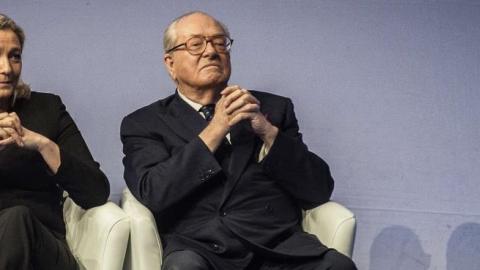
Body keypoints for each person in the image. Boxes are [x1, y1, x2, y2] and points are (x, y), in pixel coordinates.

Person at [121, 11, 356, 270]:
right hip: (201, 250)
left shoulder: (273, 109)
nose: (211, 51)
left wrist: (268, 132)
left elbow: (318, 189)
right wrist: (217, 127)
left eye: (220, 42)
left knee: (338, 266)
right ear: (170, 63)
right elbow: (153, 192)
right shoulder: (145, 122)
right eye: (196, 44)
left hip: (277, 247)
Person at [0, 14, 109, 270]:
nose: (6, 68)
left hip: (43, 248)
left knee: (18, 218)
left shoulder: (47, 108)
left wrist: (41, 143)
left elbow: (96, 192)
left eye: (14, 56)